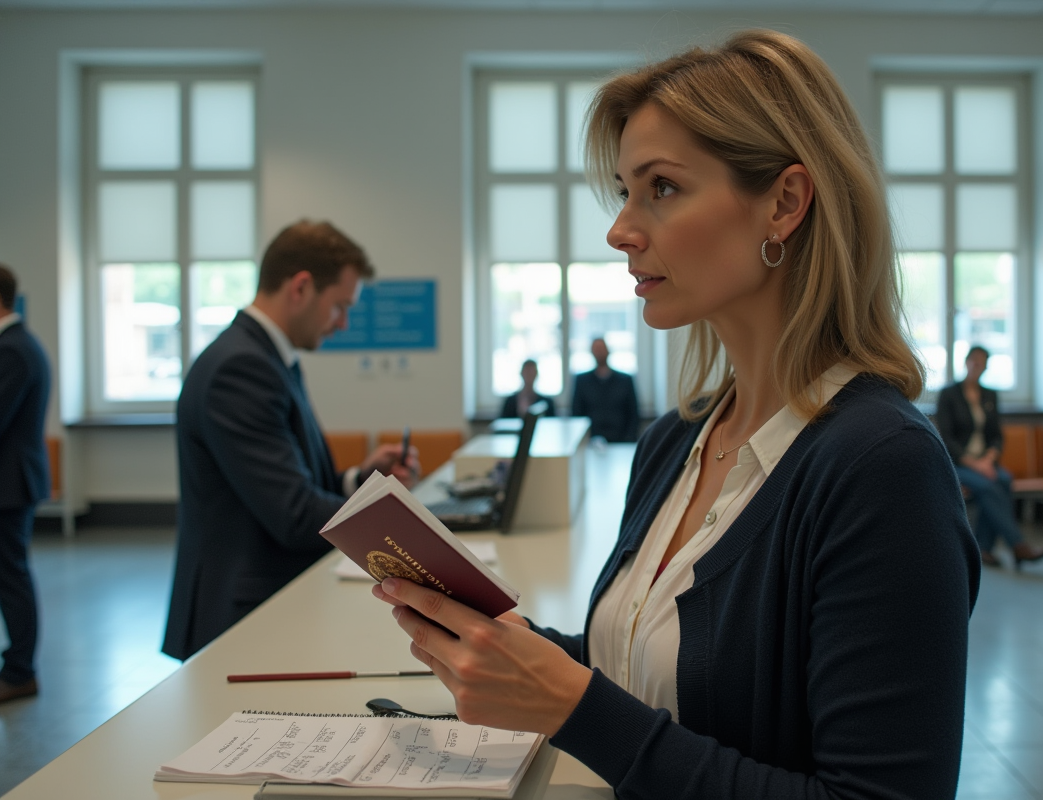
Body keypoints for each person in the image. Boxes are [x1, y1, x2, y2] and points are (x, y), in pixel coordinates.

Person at [373, 31, 979, 799]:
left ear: (784, 204)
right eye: (625, 191)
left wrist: (574, 708)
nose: (621, 229)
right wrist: (518, 651)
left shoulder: (882, 466)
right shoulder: (674, 441)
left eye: (660, 188)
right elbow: (665, 682)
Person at [163, 221, 419, 661]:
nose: (343, 324)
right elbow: (295, 515)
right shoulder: (241, 368)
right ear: (301, 287)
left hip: (257, 597)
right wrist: (407, 536)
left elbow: (287, 483)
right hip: (239, 612)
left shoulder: (266, 357)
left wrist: (360, 477)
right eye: (340, 306)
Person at [936, 346, 1043, 568]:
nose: (977, 365)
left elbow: (997, 436)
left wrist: (988, 459)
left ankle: (984, 548)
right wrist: (975, 464)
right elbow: (947, 440)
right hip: (959, 463)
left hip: (985, 462)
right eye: (974, 360)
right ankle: (1018, 545)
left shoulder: (990, 395)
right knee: (990, 486)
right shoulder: (949, 394)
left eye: (982, 361)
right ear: (966, 362)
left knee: (1004, 479)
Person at [0, 264, 50, 703]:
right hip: (13, 481)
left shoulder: (13, 349)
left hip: (9, 485)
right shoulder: (19, 344)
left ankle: (18, 671)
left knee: (10, 575)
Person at [571, 337, 640, 442]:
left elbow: (633, 412)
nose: (599, 352)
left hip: (620, 439)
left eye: (602, 348)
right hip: (591, 440)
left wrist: (628, 439)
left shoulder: (624, 380)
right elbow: (576, 412)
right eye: (596, 349)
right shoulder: (582, 381)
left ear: (608, 350)